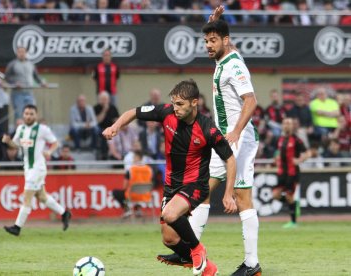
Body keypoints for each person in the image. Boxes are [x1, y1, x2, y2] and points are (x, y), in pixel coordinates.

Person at [158, 12, 262, 276]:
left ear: (225, 41)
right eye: (206, 40)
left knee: (242, 198)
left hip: (237, 139)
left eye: (213, 40)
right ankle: (191, 251)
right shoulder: (225, 57)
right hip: (223, 138)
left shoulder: (234, 67)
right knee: (201, 193)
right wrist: (215, 20)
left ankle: (252, 264)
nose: (208, 45)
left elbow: (251, 101)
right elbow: (230, 44)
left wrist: (237, 132)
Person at [103, 79, 237, 276]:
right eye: (174, 103)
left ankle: (198, 250)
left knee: (170, 215)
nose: (175, 108)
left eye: (180, 104)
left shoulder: (208, 129)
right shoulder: (166, 112)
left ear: (194, 102)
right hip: (171, 185)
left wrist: (228, 194)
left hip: (196, 184)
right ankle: (207, 267)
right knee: (169, 240)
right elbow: (134, 112)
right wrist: (115, 126)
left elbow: (230, 159)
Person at [2, 104, 71, 236]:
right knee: (42, 197)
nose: (28, 116)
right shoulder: (20, 129)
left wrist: (49, 151)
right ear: (23, 115)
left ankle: (17, 227)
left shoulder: (42, 129)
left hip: (38, 168)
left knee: (26, 197)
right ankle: (64, 213)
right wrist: (8, 141)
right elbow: (16, 145)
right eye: (26, 113)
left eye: (31, 114)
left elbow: (55, 142)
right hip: (28, 168)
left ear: (36, 115)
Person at [273, 118, 309, 229]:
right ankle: (294, 204)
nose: (286, 125)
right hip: (281, 172)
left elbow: (307, 153)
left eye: (288, 123)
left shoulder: (296, 140)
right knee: (275, 195)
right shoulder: (280, 139)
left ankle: (293, 222)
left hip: (292, 172)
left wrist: (299, 160)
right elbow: (278, 152)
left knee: (289, 195)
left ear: (292, 126)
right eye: (284, 123)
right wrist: (277, 158)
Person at [5, 46, 47, 121]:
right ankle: (19, 132)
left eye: (23, 52)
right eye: (19, 52)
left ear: (26, 53)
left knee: (32, 113)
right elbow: (7, 77)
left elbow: (36, 76)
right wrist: (15, 83)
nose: (21, 54)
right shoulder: (12, 64)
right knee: (19, 115)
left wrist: (42, 83)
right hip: (17, 94)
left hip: (29, 93)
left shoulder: (31, 64)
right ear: (17, 53)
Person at [112, 150, 153, 218]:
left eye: (134, 157)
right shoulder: (149, 169)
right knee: (137, 192)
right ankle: (138, 209)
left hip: (132, 195)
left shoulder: (131, 170)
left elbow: (124, 186)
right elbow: (150, 182)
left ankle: (127, 210)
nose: (133, 159)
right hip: (146, 195)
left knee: (115, 192)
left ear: (138, 158)